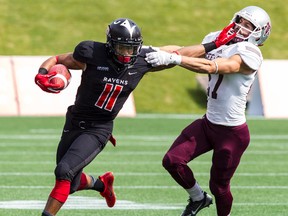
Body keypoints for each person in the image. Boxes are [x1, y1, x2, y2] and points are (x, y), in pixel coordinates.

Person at [35, 17, 234, 216]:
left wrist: (214, 44)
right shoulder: (91, 52)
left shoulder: (142, 60)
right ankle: (102, 184)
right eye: (122, 48)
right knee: (70, 183)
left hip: (99, 128)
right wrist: (43, 73)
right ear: (110, 44)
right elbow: (58, 59)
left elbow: (178, 52)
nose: (127, 53)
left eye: (131, 48)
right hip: (74, 121)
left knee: (64, 172)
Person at [145, 5, 271, 216]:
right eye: (240, 21)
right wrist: (152, 50)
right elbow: (185, 49)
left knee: (219, 187)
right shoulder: (217, 38)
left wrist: (176, 59)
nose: (241, 27)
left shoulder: (251, 53)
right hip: (207, 123)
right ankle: (198, 198)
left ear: (259, 34)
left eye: (249, 26)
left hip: (232, 132)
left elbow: (215, 66)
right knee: (172, 160)